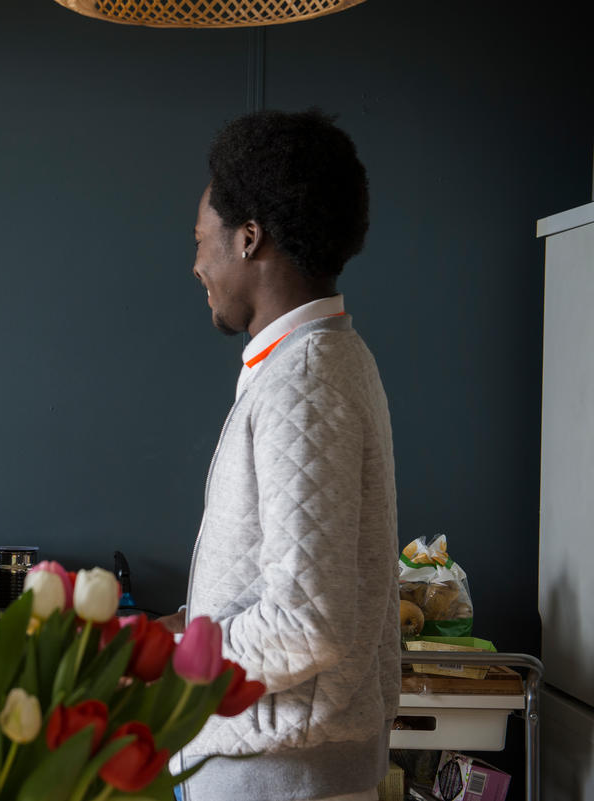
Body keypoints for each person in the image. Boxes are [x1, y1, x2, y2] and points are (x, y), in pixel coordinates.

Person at [161, 109, 400, 801]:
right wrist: (176, 626)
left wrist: (167, 659)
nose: (197, 263)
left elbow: (305, 622)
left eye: (203, 240)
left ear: (249, 239)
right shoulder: (321, 360)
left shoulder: (305, 381)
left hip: (277, 777)